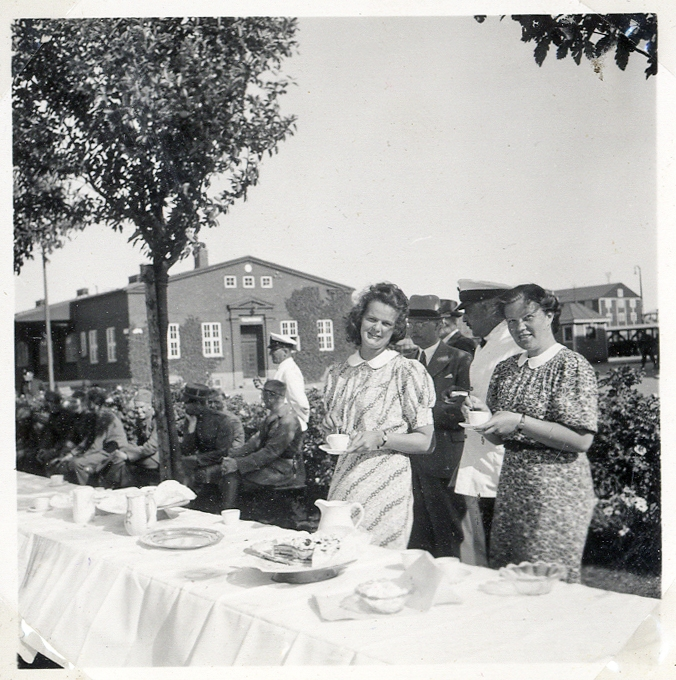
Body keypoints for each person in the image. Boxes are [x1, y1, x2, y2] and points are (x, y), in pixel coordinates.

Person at [466, 284, 598, 583]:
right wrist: (483, 418)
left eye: (527, 317)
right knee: (511, 579)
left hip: (557, 494)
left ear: (549, 314)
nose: (519, 327)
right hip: (513, 490)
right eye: (511, 321)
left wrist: (520, 421)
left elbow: (581, 440)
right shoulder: (506, 369)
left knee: (548, 583)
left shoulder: (571, 365)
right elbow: (501, 437)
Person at [322, 282, 436, 550]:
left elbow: (425, 442)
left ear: (396, 329)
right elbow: (337, 433)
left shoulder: (406, 371)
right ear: (359, 319)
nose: (377, 328)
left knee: (377, 569)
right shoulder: (338, 373)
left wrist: (382, 438)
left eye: (386, 323)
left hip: (387, 490)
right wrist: (327, 427)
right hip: (344, 484)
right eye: (371, 319)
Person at [452, 279, 520, 566]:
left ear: (492, 308)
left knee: (503, 553)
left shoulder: (511, 345)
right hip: (483, 459)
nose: (464, 318)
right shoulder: (487, 344)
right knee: (485, 550)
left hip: (501, 463)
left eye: (469, 309)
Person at [406, 295, 471, 558]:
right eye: (412, 323)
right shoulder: (406, 362)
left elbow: (464, 410)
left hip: (444, 458)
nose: (415, 329)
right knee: (416, 533)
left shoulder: (460, 359)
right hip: (411, 461)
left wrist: (418, 415)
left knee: (447, 533)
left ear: (440, 325)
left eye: (422, 322)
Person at [220, 380, 305, 513]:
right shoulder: (274, 416)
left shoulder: (288, 420)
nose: (262, 398)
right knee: (227, 469)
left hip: (284, 471)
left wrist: (237, 464)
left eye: (263, 394)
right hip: (271, 465)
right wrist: (231, 455)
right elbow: (255, 442)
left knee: (233, 474)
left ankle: (228, 514)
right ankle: (234, 513)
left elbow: (271, 452)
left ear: (272, 396)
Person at [180, 383, 245, 498]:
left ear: (198, 404)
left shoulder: (222, 420)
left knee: (196, 474)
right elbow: (186, 450)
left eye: (187, 403)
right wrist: (191, 428)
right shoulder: (192, 419)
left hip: (220, 463)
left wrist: (198, 460)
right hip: (201, 462)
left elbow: (224, 452)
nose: (184, 406)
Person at [55, 387, 128, 485]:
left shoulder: (106, 418)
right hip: (104, 450)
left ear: (94, 403)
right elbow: (88, 440)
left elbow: (97, 445)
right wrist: (72, 454)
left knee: (78, 463)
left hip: (113, 450)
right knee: (71, 462)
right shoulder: (96, 416)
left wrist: (81, 456)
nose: (86, 404)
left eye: (88, 400)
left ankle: (89, 490)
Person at [96, 389, 160, 488]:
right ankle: (113, 486)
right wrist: (125, 450)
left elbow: (151, 447)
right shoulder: (141, 419)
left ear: (150, 406)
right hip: (145, 454)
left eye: (142, 407)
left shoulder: (158, 421)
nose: (139, 411)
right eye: (136, 408)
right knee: (118, 454)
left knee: (121, 460)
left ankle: (113, 487)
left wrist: (128, 455)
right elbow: (135, 441)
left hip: (157, 458)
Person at [255, 333, 310, 432]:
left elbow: (299, 401)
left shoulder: (290, 371)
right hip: (284, 423)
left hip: (290, 425)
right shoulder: (284, 369)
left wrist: (302, 419)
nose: (270, 354)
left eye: (274, 350)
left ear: (285, 351)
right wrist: (263, 388)